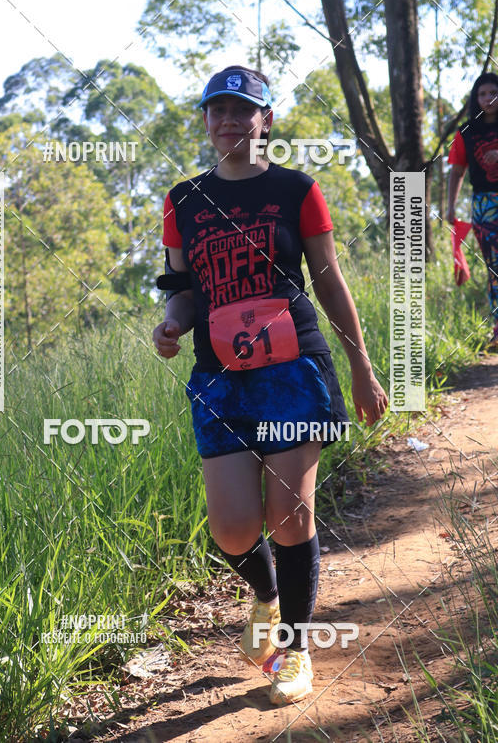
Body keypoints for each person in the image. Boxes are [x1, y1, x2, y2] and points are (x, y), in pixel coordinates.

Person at [152, 65, 388, 706]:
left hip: (293, 369)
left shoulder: (297, 190)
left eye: (241, 109)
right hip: (220, 379)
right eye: (216, 110)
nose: (228, 120)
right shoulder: (183, 202)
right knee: (231, 530)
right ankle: (265, 594)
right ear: (205, 121)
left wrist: (362, 367)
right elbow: (182, 290)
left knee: (289, 516)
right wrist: (171, 325)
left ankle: (296, 648)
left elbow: (330, 279)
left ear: (266, 120)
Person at [447, 71, 498, 350]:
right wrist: (451, 206)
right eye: (482, 94)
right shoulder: (467, 132)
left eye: (493, 93)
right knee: (494, 270)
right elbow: (456, 171)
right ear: (475, 99)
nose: (488, 99)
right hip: (484, 207)